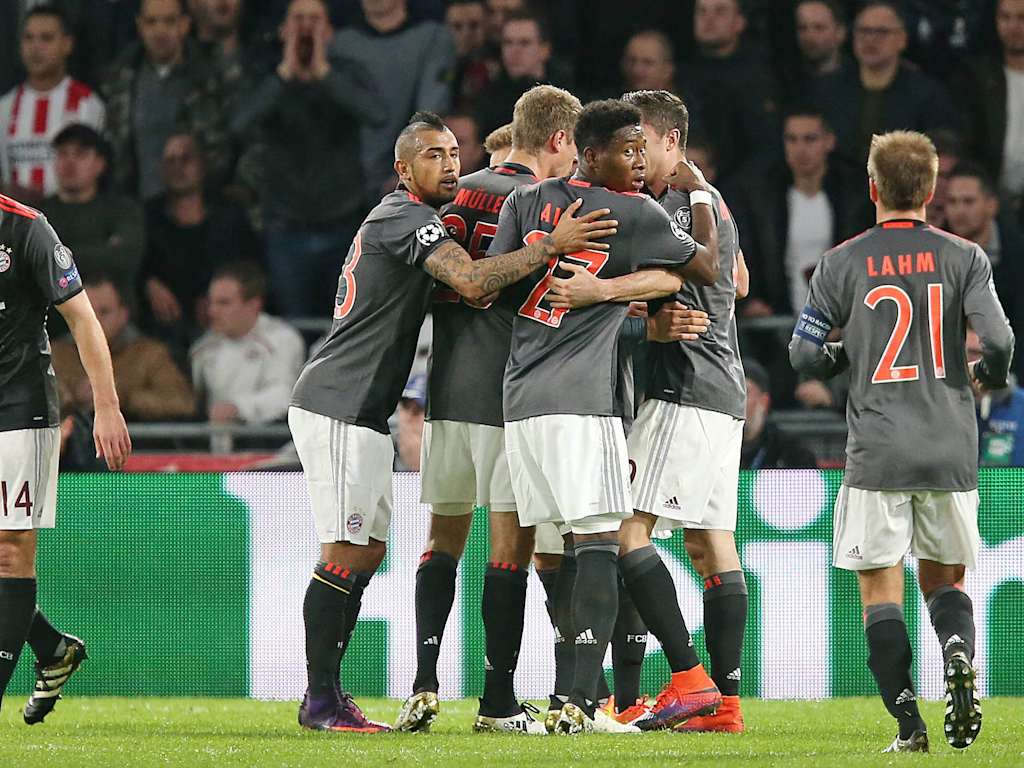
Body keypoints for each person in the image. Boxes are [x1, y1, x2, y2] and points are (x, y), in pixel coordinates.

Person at [286, 110, 617, 733]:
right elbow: (468, 280)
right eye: (433, 155)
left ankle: (390, 688)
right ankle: (326, 699)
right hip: (346, 402)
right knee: (351, 548)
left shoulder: (437, 213)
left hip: (390, 403)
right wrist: (549, 246)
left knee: (377, 546)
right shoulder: (408, 217)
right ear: (402, 168)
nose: (450, 163)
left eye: (452, 152)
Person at [490, 99, 718, 734]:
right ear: (590, 155)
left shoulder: (523, 204)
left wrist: (599, 288)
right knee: (599, 539)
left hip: (521, 400)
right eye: (627, 150)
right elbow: (702, 265)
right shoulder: (634, 211)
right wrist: (699, 194)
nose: (640, 163)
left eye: (643, 150)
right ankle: (579, 705)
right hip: (581, 400)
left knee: (562, 546)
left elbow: (496, 288)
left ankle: (573, 698)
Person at [790, 130, 1014, 752]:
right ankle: (957, 653)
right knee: (945, 583)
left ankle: (911, 726)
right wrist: (985, 378)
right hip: (948, 444)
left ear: (872, 188)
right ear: (933, 189)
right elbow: (999, 343)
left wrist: (843, 356)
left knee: (879, 590)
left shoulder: (841, 262)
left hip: (878, 451)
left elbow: (804, 355)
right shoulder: (964, 257)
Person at [547, 89, 747, 732]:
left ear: (670, 142)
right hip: (724, 391)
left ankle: (687, 683)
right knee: (712, 544)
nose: (635, 160)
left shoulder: (678, 204)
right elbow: (736, 278)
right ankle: (726, 703)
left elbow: (714, 274)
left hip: (683, 389)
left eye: (643, 146)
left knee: (624, 531)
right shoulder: (700, 200)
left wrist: (609, 297)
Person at [395, 85, 583, 736]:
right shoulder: (544, 202)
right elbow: (552, 295)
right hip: (511, 393)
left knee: (442, 541)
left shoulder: (452, 191)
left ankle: (422, 685)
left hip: (448, 387)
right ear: (558, 140)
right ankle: (498, 702)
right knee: (511, 549)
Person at [0, 192, 130, 723]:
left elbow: (82, 318)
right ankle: (52, 648)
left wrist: (106, 406)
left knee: (9, 551)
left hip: (18, 406)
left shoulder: (27, 230)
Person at [231, 0, 383, 317]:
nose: (305, 27)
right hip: (286, 227)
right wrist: (284, 74)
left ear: (328, 31)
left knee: (344, 323)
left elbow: (377, 114)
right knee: (294, 321)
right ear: (283, 29)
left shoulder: (347, 72)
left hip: (343, 222)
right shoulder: (264, 74)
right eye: (298, 18)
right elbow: (239, 123)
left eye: (314, 19)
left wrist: (324, 74)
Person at [100, 0, 228, 201]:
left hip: (199, 208)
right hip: (137, 206)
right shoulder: (119, 79)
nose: (160, 31)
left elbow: (222, 144)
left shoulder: (211, 77)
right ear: (139, 26)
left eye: (169, 21)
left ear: (185, 24)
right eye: (151, 22)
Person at [141, 132, 259, 345]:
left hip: (226, 325)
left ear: (203, 164)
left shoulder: (230, 216)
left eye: (186, 159)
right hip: (160, 326)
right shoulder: (147, 216)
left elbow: (250, 268)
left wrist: (216, 295)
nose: (178, 167)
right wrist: (148, 283)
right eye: (170, 160)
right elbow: (135, 263)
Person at [334, 0, 455, 198]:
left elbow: (431, 111)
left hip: (404, 180)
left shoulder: (433, 38)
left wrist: (407, 171)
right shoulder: (341, 44)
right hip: (344, 184)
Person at [815, 1, 958, 167]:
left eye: (881, 31)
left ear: (902, 39)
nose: (870, 39)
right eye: (863, 31)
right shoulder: (829, 89)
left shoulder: (927, 95)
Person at [51, 274, 195, 421]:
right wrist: (73, 397)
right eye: (86, 312)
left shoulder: (150, 354)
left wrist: (124, 397)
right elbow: (36, 400)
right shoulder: (55, 354)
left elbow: (182, 402)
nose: (94, 320)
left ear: (123, 315)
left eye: (104, 312)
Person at [0, 7, 106, 200]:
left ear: (67, 44)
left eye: (46, 38)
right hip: (16, 225)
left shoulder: (89, 104)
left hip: (71, 222)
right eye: (28, 38)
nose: (35, 47)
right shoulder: (5, 107)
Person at [189, 262, 305, 425]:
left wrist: (238, 408)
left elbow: (285, 396)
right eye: (211, 302)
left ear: (253, 305)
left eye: (223, 303)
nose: (212, 311)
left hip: (268, 440)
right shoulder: (202, 348)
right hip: (216, 443)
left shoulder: (283, 339)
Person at [945, 163, 1024, 376]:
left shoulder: (1017, 257)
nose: (959, 210)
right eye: (952, 202)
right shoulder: (933, 254)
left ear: (992, 206)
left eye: (968, 201)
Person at [41, 124, 144, 285]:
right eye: (62, 153)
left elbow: (124, 258)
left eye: (80, 154)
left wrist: (58, 257)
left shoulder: (123, 210)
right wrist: (102, 250)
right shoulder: (37, 214)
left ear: (100, 164)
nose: (70, 162)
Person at [740, 359, 818, 469]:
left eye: (744, 392)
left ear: (764, 401)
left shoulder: (793, 453)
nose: (736, 400)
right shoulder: (716, 448)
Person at [968, 328, 1024, 466]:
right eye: (973, 354)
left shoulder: (1021, 408)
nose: (981, 364)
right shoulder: (939, 409)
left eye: (987, 355)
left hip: (1008, 486)